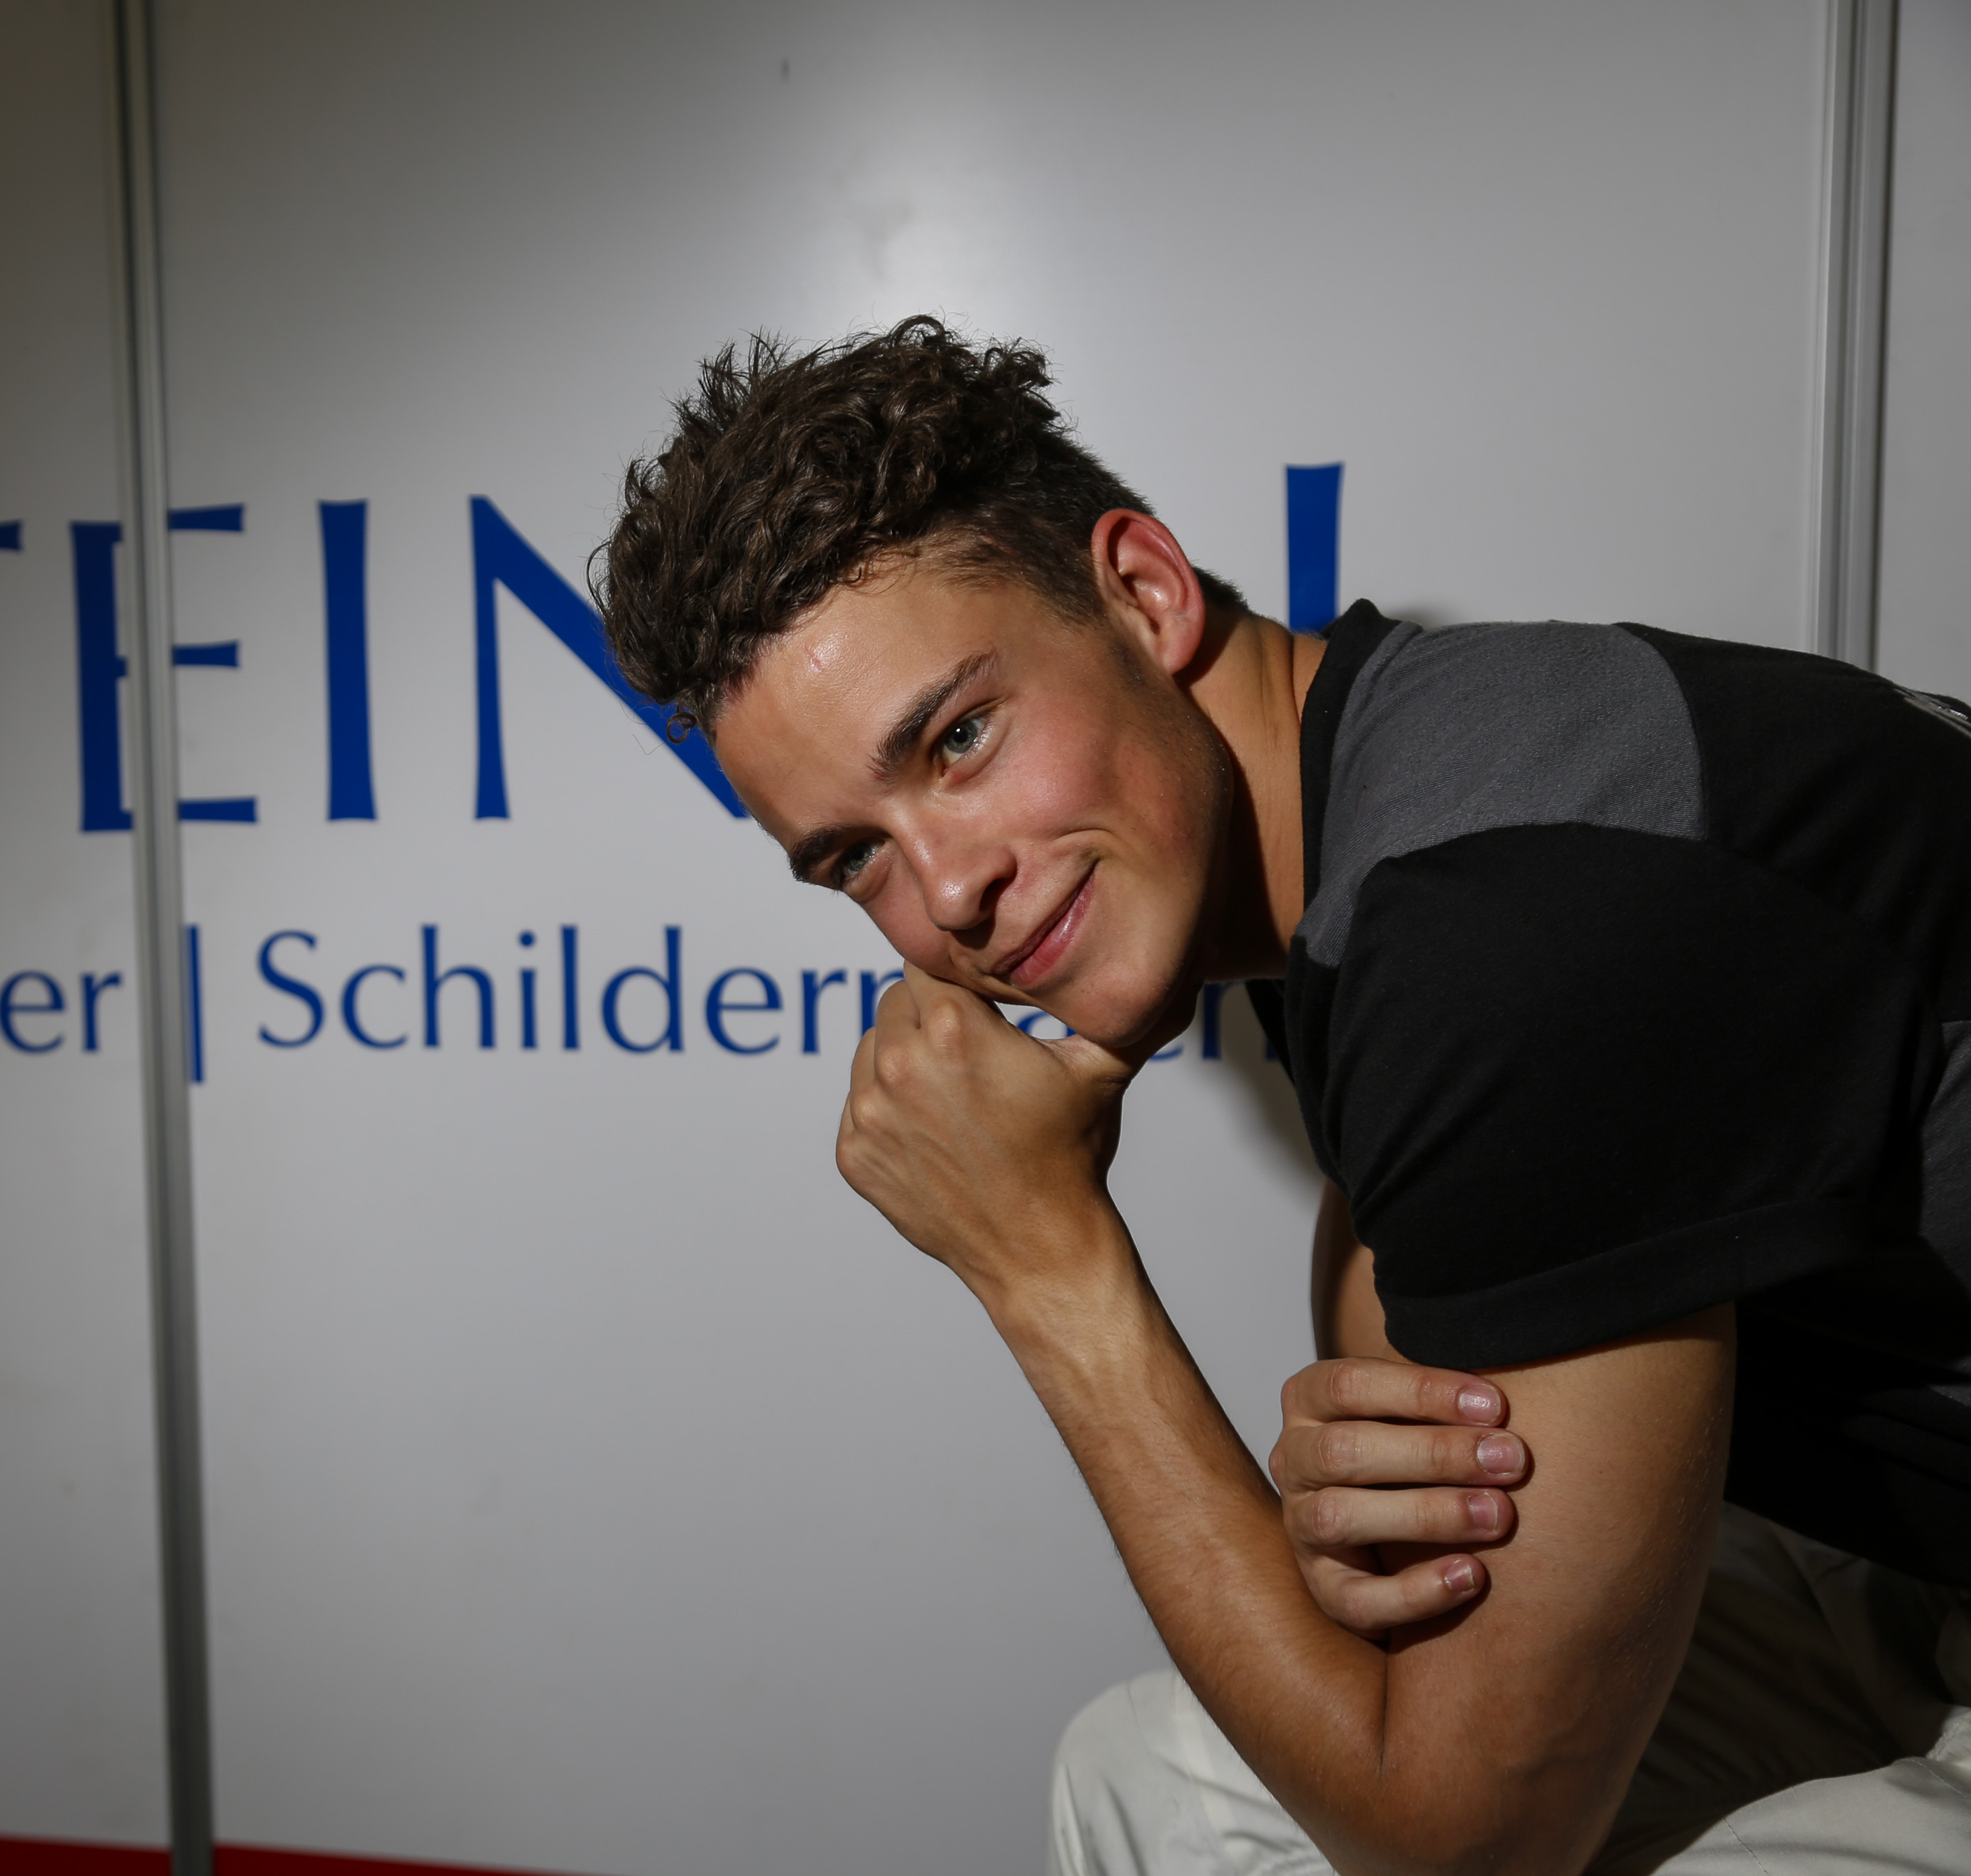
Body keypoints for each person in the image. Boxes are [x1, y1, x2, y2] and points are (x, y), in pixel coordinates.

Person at [596, 317, 1971, 1873]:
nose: (949, 892)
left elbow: (1464, 1846)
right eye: (856, 857)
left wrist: (1046, 1264)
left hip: (1896, 1576)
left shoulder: (1493, 921)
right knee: (1146, 1778)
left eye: (959, 737)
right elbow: (1401, 1488)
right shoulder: (1382, 806)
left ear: (1146, 591)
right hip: (1886, 1559)